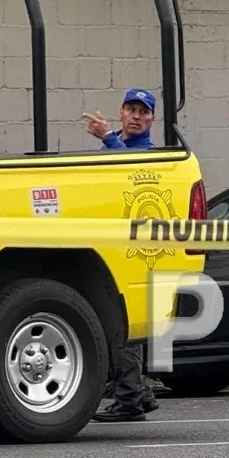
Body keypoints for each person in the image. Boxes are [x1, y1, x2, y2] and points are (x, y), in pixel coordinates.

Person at [86, 87, 161, 422]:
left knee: (123, 327)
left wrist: (108, 140)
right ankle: (141, 393)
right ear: (121, 112)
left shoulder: (146, 153)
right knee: (121, 325)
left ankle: (130, 399)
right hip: (115, 247)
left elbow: (130, 173)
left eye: (143, 112)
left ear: (152, 119)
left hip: (135, 252)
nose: (136, 116)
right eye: (131, 109)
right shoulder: (116, 141)